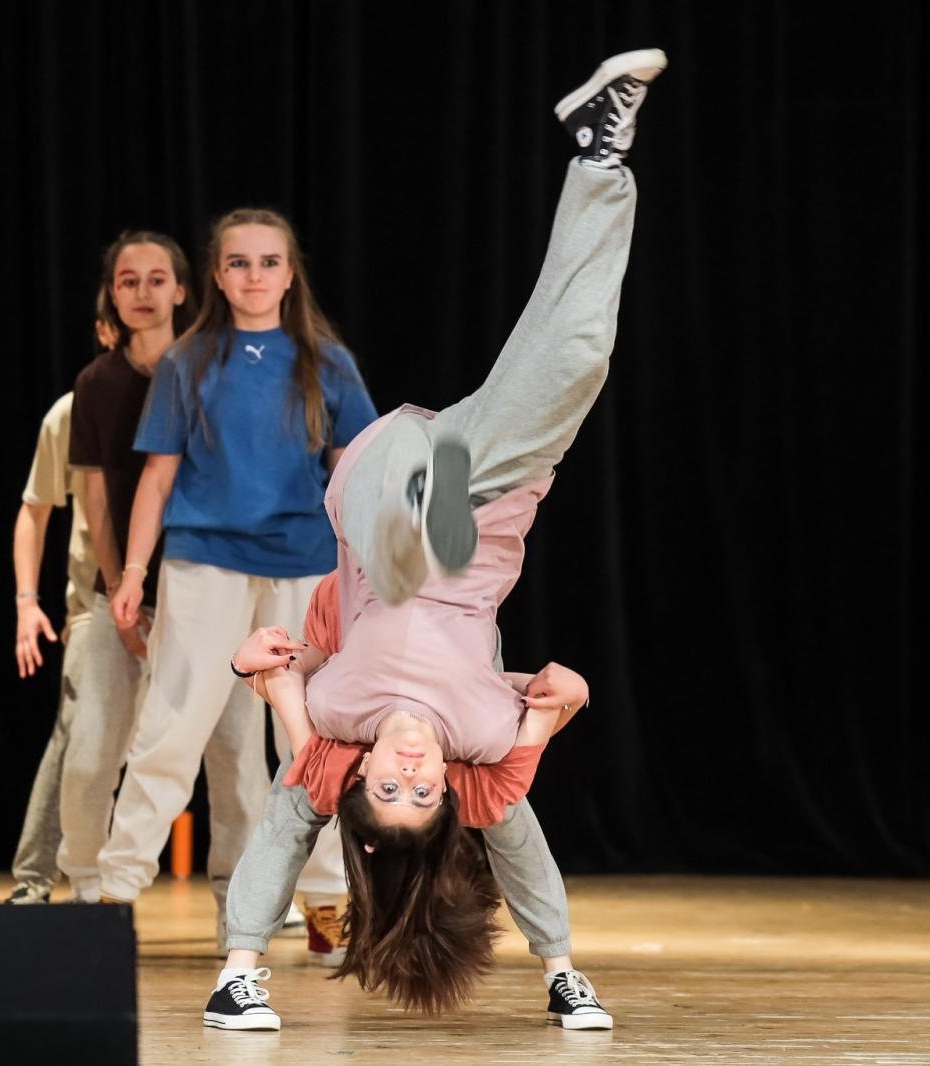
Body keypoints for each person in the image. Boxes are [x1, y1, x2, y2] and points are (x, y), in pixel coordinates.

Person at [199, 46, 668, 1026]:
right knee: (579, 355)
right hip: (489, 490)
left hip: (385, 501)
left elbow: (285, 826)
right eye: (425, 793)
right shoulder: (486, 746)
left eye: (389, 788)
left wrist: (239, 969)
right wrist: (561, 968)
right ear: (447, 795)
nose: (410, 773)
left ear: (361, 781)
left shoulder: (331, 727)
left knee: (412, 549)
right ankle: (599, 156)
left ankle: (428, 512)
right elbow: (521, 844)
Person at [95, 206, 380, 954]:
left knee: (312, 735)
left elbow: (358, 477)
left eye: (269, 262)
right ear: (218, 276)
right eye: (239, 263)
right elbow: (157, 478)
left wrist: (370, 575)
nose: (254, 276)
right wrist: (133, 572)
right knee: (172, 726)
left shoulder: (327, 363)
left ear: (290, 275)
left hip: (305, 566)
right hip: (205, 562)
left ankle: (326, 898)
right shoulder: (189, 361)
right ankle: (114, 893)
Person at [60, 229, 288, 908]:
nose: (142, 292)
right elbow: (96, 498)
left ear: (183, 289)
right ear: (112, 293)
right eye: (127, 281)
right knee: (93, 752)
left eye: (157, 279)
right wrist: (120, 587)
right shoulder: (96, 385)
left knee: (236, 759)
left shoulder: (214, 368)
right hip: (123, 595)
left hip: (216, 590)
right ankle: (89, 888)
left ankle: (237, 904)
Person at [5, 312, 115, 903]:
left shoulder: (191, 402)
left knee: (223, 746)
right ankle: (36, 878)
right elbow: (35, 507)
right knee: (78, 736)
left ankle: (254, 898)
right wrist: (28, 602)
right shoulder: (71, 412)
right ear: (104, 329)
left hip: (184, 598)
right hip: (97, 602)